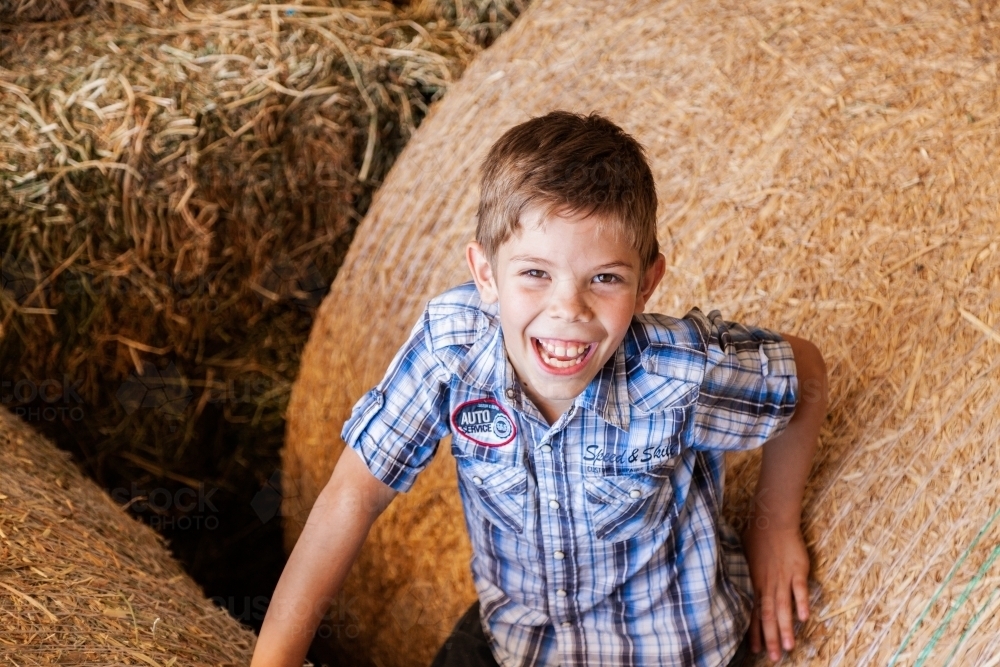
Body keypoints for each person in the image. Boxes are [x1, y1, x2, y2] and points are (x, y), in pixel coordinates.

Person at [250, 110, 827, 667]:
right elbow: (354, 493)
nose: (567, 309)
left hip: (669, 648)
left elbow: (802, 372)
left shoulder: (678, 372)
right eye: (534, 273)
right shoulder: (453, 348)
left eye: (605, 278)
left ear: (648, 283)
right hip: (519, 643)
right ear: (485, 274)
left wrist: (772, 526)